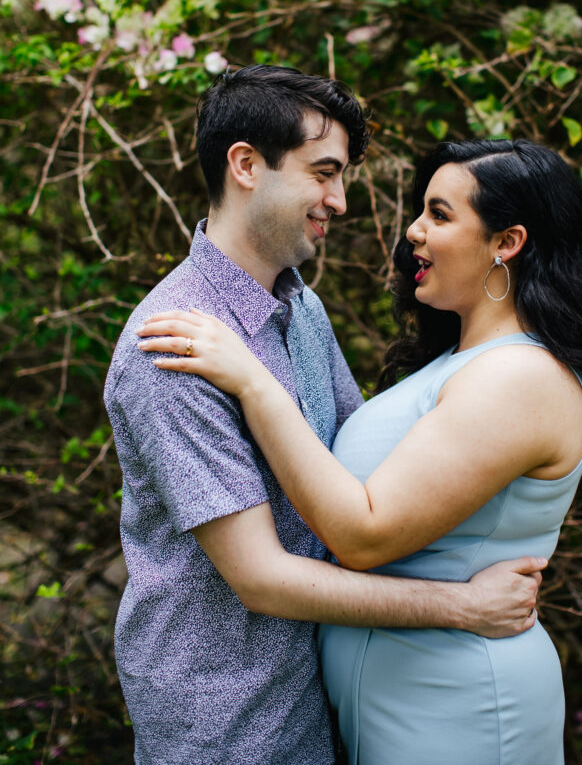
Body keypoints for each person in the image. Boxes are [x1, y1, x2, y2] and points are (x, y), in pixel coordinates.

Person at [105, 66, 547, 765]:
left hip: (324, 705)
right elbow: (260, 576)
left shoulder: (297, 305)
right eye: (323, 173)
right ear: (246, 165)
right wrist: (459, 605)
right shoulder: (172, 344)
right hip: (230, 730)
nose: (339, 201)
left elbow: (355, 464)